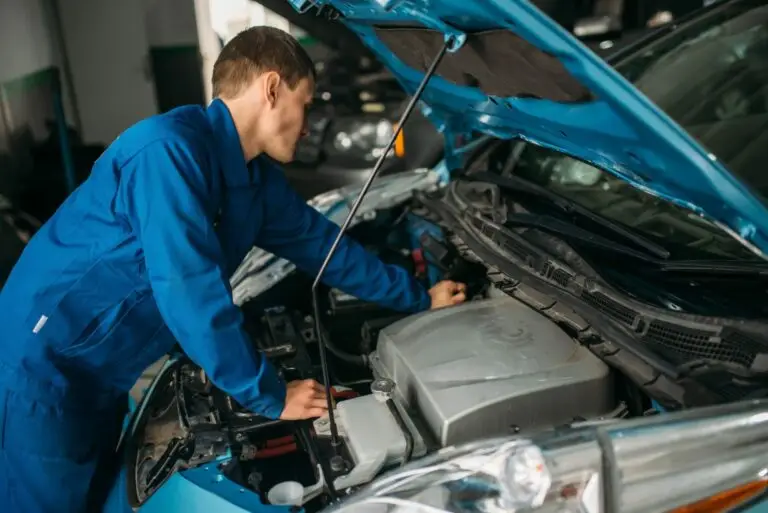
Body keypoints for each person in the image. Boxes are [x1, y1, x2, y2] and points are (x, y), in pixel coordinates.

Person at [0, 26, 466, 512]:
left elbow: (326, 248)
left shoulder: (253, 181)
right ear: (270, 88)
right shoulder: (167, 153)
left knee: (96, 497)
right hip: (43, 367)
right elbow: (189, 289)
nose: (307, 125)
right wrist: (268, 394)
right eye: (305, 103)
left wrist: (419, 298)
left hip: (104, 371)